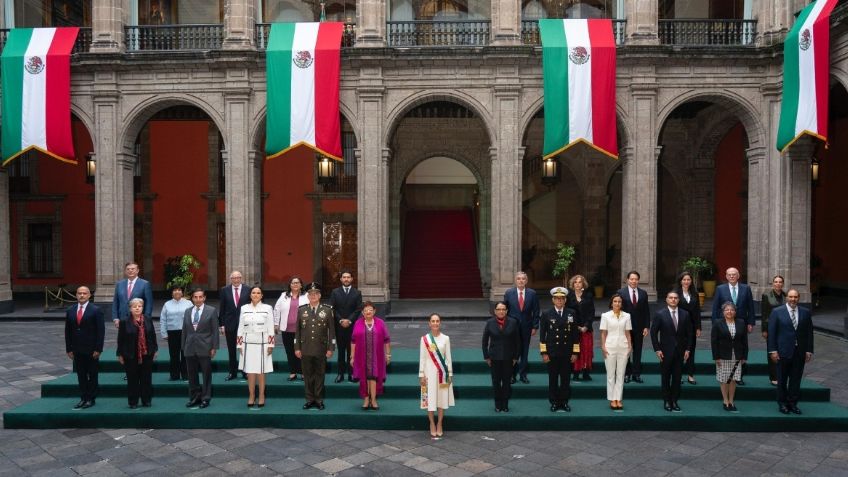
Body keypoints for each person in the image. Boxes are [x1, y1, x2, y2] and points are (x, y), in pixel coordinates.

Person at [768, 289, 814, 415]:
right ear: (786, 297)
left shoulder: (805, 312)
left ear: (798, 298)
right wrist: (772, 351)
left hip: (799, 352)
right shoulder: (777, 312)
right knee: (782, 380)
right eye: (790, 297)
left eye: (795, 297)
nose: (793, 299)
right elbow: (772, 333)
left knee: (796, 380)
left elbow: (809, 332)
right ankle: (782, 404)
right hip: (782, 352)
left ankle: (793, 404)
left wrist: (809, 350)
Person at [294, 282, 336, 410]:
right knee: (307, 375)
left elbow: (332, 332)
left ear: (319, 295)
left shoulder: (327, 310)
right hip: (305, 348)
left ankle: (319, 399)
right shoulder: (302, 310)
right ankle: (309, 399)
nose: (313, 296)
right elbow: (297, 331)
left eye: (315, 294)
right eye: (310, 294)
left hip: (321, 349)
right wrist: (297, 348)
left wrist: (331, 348)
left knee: (320, 374)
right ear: (307, 296)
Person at [711, 267, 755, 385]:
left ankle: (739, 376)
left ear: (738, 276)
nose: (731, 276)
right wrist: (714, 323)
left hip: (741, 323)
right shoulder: (720, 289)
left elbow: (750, 307)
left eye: (734, 274)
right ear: (726, 276)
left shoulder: (746, 288)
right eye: (729, 274)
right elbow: (715, 307)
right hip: (723, 323)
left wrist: (750, 322)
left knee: (740, 347)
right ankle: (725, 374)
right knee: (726, 346)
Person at [539, 287, 580, 412]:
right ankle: (554, 402)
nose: (559, 301)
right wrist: (544, 353)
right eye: (557, 298)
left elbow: (575, 334)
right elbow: (542, 335)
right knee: (553, 379)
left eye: (562, 299)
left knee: (566, 379)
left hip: (567, 352)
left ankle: (564, 401)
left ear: (565, 300)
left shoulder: (571, 313)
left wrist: (575, 352)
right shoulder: (546, 314)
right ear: (553, 300)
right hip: (552, 352)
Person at [650, 291, 691, 412]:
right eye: (671, 298)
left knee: (677, 378)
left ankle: (674, 400)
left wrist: (688, 349)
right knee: (666, 377)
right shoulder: (660, 314)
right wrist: (657, 349)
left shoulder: (685, 314)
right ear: (666, 300)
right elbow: (653, 333)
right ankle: (667, 401)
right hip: (665, 352)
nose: (673, 300)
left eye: (675, 298)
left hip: (680, 352)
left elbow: (690, 334)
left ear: (678, 300)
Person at [64, 286, 105, 409]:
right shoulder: (71, 310)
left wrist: (98, 349)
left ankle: (91, 399)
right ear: (76, 295)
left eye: (84, 293)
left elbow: (100, 331)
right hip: (76, 349)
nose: (82, 295)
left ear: (89, 295)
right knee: (81, 375)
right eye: (79, 293)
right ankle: (83, 397)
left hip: (91, 349)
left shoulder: (96, 310)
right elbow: (67, 331)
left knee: (92, 375)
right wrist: (69, 349)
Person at [116, 298, 158, 409]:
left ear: (142, 308)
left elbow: (153, 335)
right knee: (132, 379)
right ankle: (133, 401)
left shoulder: (148, 319)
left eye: (139, 306)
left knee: (146, 379)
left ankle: (146, 400)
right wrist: (120, 354)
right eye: (134, 306)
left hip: (147, 354)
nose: (137, 308)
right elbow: (120, 339)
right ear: (130, 309)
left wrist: (155, 350)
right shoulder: (124, 321)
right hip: (130, 355)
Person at [238, 286, 275, 408]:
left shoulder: (267, 308)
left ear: (262, 295)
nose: (255, 294)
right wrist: (239, 344)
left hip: (263, 344)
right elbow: (241, 327)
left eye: (258, 292)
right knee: (250, 372)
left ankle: (262, 395)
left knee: (261, 372)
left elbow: (270, 327)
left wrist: (271, 344)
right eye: (253, 292)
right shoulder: (244, 308)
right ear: (250, 295)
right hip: (248, 344)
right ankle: (252, 395)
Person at [182, 289, 219, 409]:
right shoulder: (188, 311)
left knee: (206, 374)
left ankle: (206, 398)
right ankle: (194, 397)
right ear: (192, 298)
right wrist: (183, 346)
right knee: (192, 375)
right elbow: (185, 330)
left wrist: (214, 347)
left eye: (200, 297)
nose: (198, 299)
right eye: (195, 297)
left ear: (204, 298)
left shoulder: (211, 311)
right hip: (190, 347)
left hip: (205, 347)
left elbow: (215, 331)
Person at [350, 301, 391, 410]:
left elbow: (387, 340)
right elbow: (353, 341)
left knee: (373, 378)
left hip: (376, 356)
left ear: (374, 311)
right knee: (365, 378)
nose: (368, 312)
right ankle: (366, 399)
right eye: (365, 310)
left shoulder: (381, 323)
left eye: (370, 310)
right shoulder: (358, 323)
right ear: (362, 312)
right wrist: (352, 356)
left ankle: (373, 400)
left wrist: (388, 355)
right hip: (361, 356)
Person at [419, 313, 454, 438]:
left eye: (437, 321)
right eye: (432, 321)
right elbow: (422, 358)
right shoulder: (424, 339)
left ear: (440, 323)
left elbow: (448, 358)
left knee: (441, 399)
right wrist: (421, 375)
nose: (435, 323)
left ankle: (439, 423)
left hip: (443, 375)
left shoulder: (446, 338)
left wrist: (450, 374)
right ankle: (431, 423)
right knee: (430, 399)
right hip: (428, 374)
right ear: (429, 323)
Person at [482, 301, 520, 412]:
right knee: (496, 382)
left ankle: (505, 404)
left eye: (503, 309)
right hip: (494, 358)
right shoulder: (490, 323)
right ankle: (498, 404)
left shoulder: (513, 322)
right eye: (499, 309)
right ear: (495, 311)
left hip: (509, 358)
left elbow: (518, 342)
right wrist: (487, 357)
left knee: (507, 382)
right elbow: (484, 342)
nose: (501, 311)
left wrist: (516, 357)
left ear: (507, 311)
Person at [711, 302, 748, 412]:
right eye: (727, 310)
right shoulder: (717, 323)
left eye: (732, 310)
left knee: (733, 379)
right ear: (723, 312)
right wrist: (716, 357)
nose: (729, 312)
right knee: (724, 379)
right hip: (722, 356)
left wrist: (744, 356)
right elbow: (714, 342)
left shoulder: (741, 323)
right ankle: (725, 400)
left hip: (737, 355)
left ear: (735, 312)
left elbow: (744, 341)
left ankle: (731, 401)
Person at [503, 271, 540, 384]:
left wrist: (535, 326)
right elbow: (505, 310)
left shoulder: (532, 293)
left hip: (527, 327)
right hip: (512, 328)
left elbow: (536, 311)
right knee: (512, 352)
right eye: (518, 279)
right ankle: (512, 375)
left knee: (524, 352)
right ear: (516, 280)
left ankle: (523, 375)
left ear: (526, 281)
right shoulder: (509, 293)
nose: (521, 281)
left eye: (523, 279)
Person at [329, 270, 363, 383]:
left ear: (352, 279)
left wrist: (349, 320)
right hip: (339, 326)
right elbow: (332, 308)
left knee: (351, 351)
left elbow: (358, 309)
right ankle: (340, 374)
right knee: (341, 351)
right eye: (344, 277)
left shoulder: (357, 293)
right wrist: (340, 320)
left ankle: (351, 373)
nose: (346, 279)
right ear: (341, 279)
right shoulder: (335, 292)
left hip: (352, 326)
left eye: (348, 277)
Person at [599, 293, 631, 410]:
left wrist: (630, 346)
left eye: (619, 302)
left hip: (623, 347)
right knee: (611, 374)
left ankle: (618, 398)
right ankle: (612, 399)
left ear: (622, 304)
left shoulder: (627, 316)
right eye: (615, 301)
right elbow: (603, 333)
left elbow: (628, 333)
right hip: (610, 347)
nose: (617, 303)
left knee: (621, 374)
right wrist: (603, 346)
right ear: (611, 303)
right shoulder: (605, 316)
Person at [273, 276, 308, 381]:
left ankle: (302, 372)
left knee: (302, 351)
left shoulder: (306, 296)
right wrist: (276, 323)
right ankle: (293, 372)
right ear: (290, 285)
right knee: (290, 351)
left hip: (302, 329)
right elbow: (276, 309)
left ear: (301, 285)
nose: (295, 284)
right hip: (287, 329)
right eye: (293, 283)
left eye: (297, 282)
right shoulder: (284, 295)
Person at [618, 270, 650, 383]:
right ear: (627, 280)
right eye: (631, 279)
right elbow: (617, 310)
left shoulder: (643, 293)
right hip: (624, 327)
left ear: (638, 280)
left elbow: (646, 311)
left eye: (636, 279)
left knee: (638, 350)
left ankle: (636, 374)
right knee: (626, 351)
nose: (634, 281)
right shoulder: (621, 292)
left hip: (639, 327)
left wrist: (646, 326)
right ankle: (627, 374)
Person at [219, 270, 251, 381]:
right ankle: (232, 372)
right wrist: (221, 324)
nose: (236, 280)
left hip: (245, 325)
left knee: (244, 349)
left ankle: (245, 371)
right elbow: (222, 308)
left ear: (241, 278)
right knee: (231, 350)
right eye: (234, 278)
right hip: (229, 324)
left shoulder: (248, 289)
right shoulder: (224, 290)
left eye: (238, 277)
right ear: (230, 279)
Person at [674, 272, 702, 385]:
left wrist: (698, 327)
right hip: (679, 326)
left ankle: (690, 375)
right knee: (679, 351)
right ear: (680, 281)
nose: (686, 282)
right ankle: (678, 375)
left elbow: (697, 312)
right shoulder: (675, 293)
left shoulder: (694, 293)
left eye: (688, 280)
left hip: (692, 327)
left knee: (691, 350)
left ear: (691, 281)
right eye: (684, 280)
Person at [160, 286, 192, 381]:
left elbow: (193, 317)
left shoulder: (188, 303)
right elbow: (163, 319)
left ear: (182, 293)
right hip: (172, 332)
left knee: (185, 354)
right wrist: (164, 333)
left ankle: (186, 375)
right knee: (174, 355)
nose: (177, 292)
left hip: (185, 332)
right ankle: (174, 375)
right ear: (172, 293)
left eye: (179, 290)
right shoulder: (167, 304)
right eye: (175, 290)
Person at [568, 274, 595, 382]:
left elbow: (591, 312)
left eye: (580, 282)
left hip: (586, 329)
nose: (578, 284)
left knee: (586, 351)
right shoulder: (568, 296)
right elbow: (568, 314)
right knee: (575, 351)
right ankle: (575, 373)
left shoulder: (588, 295)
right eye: (576, 282)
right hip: (574, 329)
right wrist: (575, 327)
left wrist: (586, 326)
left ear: (583, 284)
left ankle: (586, 373)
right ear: (573, 284)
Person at [760, 275, 786, 386]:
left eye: (780, 282)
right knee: (772, 352)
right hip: (771, 328)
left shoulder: (786, 296)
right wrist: (764, 330)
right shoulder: (766, 295)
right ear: (772, 283)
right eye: (776, 281)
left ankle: (782, 375)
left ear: (783, 284)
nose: (778, 284)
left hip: (784, 329)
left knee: (783, 352)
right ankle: (773, 377)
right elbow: (764, 314)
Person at [111, 262, 153, 328]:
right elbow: (116, 302)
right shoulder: (119, 284)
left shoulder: (145, 284)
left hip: (138, 319)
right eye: (128, 269)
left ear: (137, 270)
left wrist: (146, 319)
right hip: (122, 319)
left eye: (133, 269)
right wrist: (115, 318)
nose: (130, 270)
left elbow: (149, 303)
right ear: (125, 271)